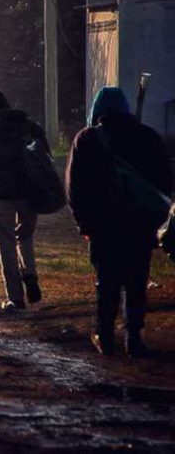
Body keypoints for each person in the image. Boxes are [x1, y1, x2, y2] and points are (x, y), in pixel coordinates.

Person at [65, 87, 173, 357]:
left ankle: (105, 335)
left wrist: (84, 224)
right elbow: (165, 183)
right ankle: (133, 337)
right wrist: (155, 219)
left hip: (103, 225)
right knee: (137, 281)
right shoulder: (148, 137)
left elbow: (75, 187)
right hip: (140, 223)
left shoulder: (87, 139)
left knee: (108, 280)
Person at [0, 89, 48, 312]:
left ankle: (15, 297)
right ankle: (30, 274)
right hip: (29, 192)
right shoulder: (28, 125)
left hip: (2, 193)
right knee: (25, 236)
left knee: (6, 243)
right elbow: (45, 158)